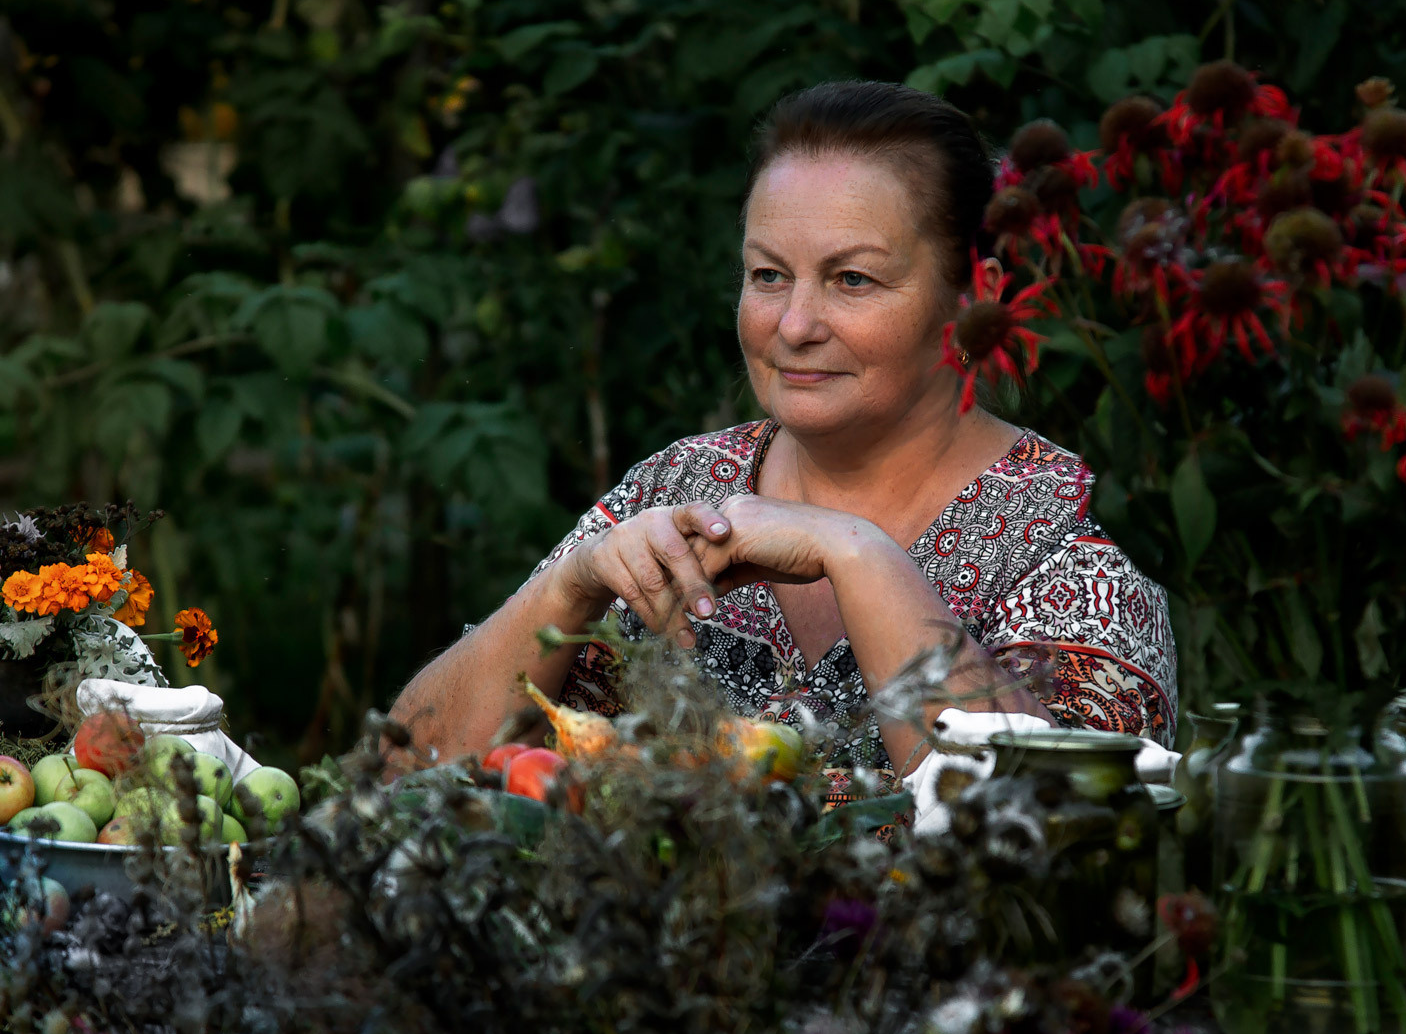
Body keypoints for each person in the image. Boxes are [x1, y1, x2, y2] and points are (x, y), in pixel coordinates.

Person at [392, 81, 1176, 803]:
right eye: (768, 275)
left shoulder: (1065, 557)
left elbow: (1053, 836)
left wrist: (861, 556)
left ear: (976, 301)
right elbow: (404, 776)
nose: (794, 326)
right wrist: (567, 589)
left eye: (852, 280)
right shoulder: (672, 490)